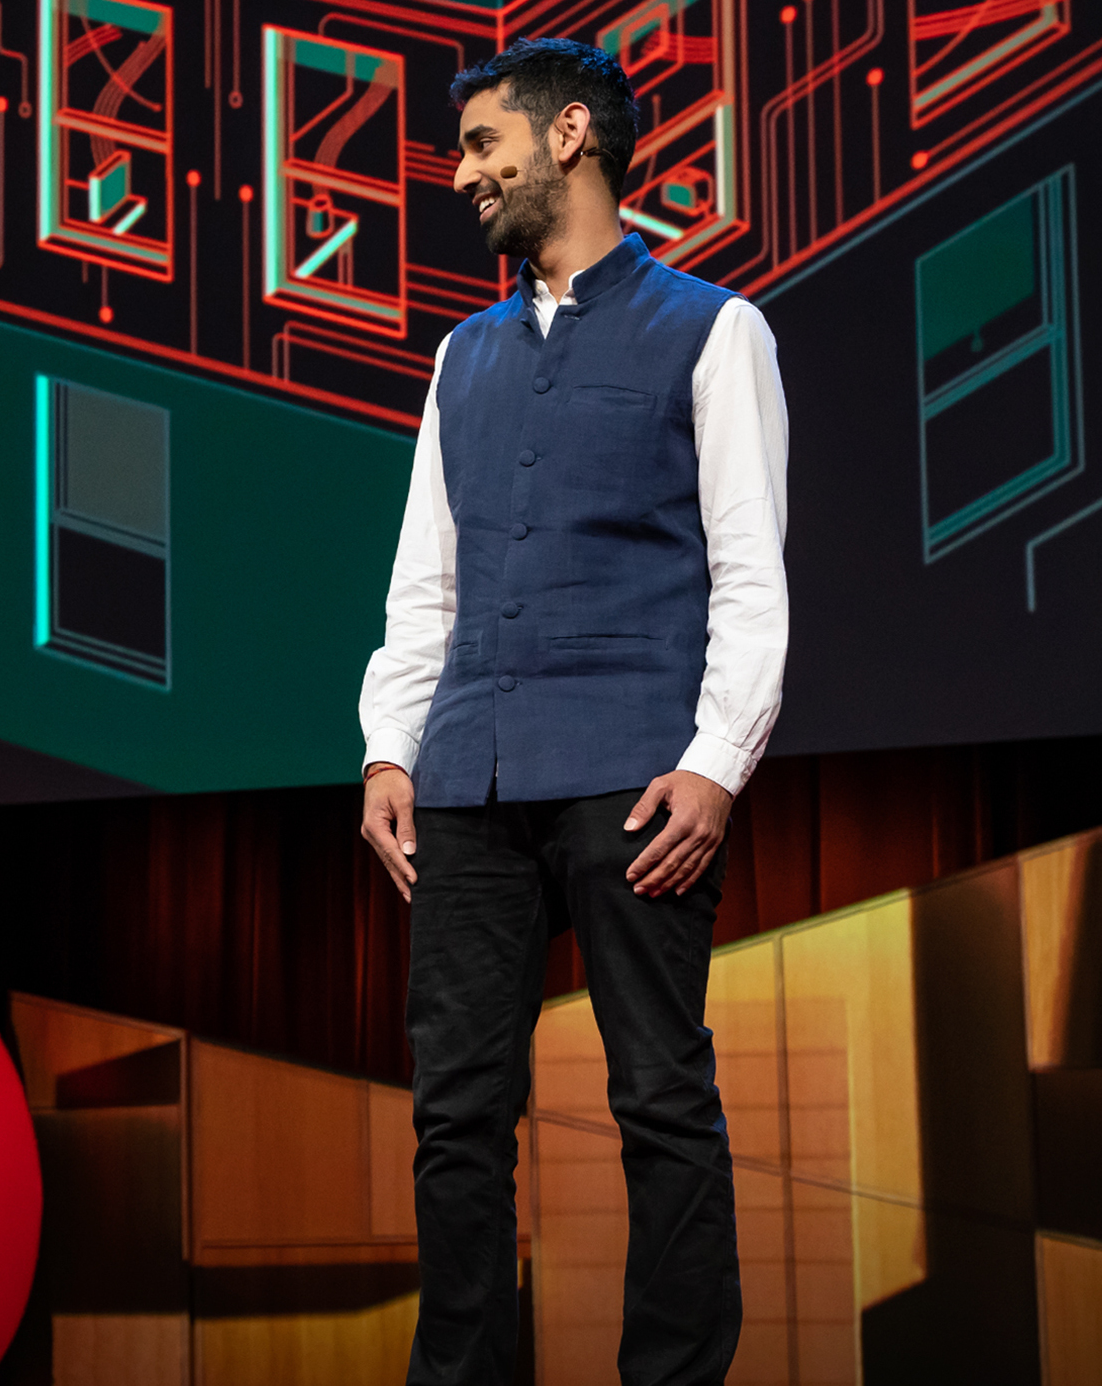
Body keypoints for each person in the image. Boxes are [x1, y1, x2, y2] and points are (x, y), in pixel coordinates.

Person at [356, 37, 790, 1386]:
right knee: (458, 1115)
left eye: (484, 144)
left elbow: (752, 571)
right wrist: (389, 746)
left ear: (571, 137)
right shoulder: (461, 358)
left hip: (635, 775)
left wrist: (718, 762)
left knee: (658, 1094)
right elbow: (425, 578)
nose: (463, 174)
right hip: (470, 776)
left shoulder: (714, 329)